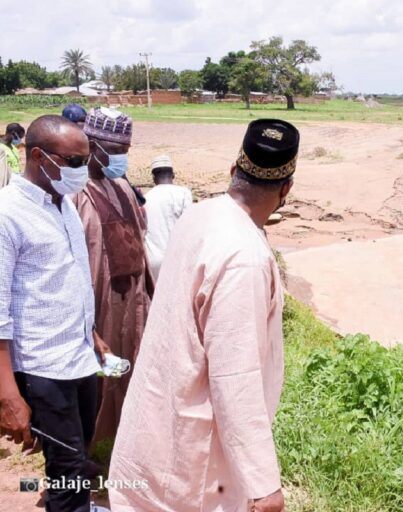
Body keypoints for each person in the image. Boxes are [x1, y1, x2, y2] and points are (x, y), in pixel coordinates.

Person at [109, 119, 299, 512]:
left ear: (234, 171)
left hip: (159, 416)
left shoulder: (200, 216)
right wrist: (263, 485)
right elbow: (236, 377)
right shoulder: (243, 256)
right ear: (286, 189)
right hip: (192, 453)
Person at [0, 115, 111, 511]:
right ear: (38, 156)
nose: (82, 170)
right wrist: (8, 394)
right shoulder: (7, 214)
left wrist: (92, 333)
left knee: (77, 457)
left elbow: (68, 279)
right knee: (65, 470)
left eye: (87, 160)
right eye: (75, 161)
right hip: (43, 367)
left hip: (78, 357)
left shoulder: (61, 204)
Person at [72, 107, 152, 444]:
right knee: (95, 375)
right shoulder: (75, 193)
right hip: (97, 301)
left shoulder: (121, 185)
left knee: (132, 365)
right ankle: (87, 445)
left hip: (133, 297)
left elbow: (140, 235)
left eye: (125, 152)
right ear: (93, 146)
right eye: (116, 152)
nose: (121, 159)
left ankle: (124, 439)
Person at [144, 154, 193, 281]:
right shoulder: (183, 193)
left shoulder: (146, 198)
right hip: (177, 258)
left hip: (153, 260)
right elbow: (189, 227)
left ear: (154, 178)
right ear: (173, 175)